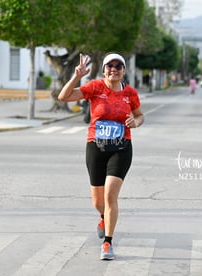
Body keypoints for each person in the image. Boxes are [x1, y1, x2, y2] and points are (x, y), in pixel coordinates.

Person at [58, 53, 144, 260]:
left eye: (118, 66)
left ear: (124, 70)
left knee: (110, 196)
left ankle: (108, 243)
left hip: (121, 147)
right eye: (109, 66)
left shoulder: (130, 93)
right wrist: (76, 77)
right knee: (98, 202)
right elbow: (63, 97)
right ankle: (103, 217)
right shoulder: (95, 87)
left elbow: (140, 115)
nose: (113, 69)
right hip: (96, 147)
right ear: (104, 69)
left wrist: (136, 122)